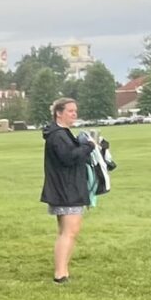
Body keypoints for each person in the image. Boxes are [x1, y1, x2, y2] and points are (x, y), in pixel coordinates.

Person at [41, 95, 96, 282]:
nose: (74, 114)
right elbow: (68, 158)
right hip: (66, 190)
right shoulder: (58, 135)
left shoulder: (60, 133)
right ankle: (60, 273)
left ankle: (63, 270)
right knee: (69, 232)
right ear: (59, 113)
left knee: (67, 232)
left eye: (75, 111)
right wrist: (89, 146)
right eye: (70, 111)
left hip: (66, 189)